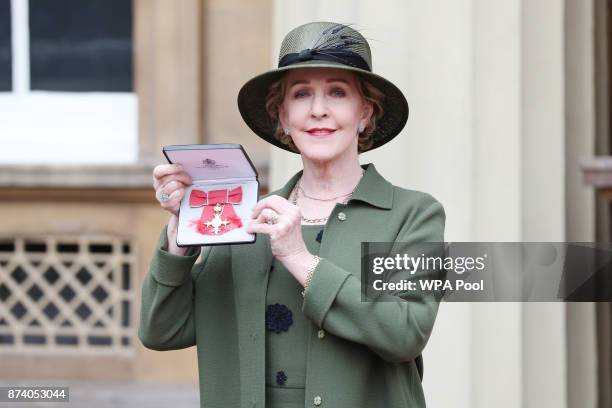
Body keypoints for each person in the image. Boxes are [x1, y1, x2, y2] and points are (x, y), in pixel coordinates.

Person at [139, 21, 445, 408]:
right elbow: (161, 331)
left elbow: (405, 333)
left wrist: (299, 259)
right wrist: (182, 230)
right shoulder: (246, 221)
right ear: (283, 117)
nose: (318, 110)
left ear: (365, 113)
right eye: (302, 95)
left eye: (337, 92)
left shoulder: (413, 214)